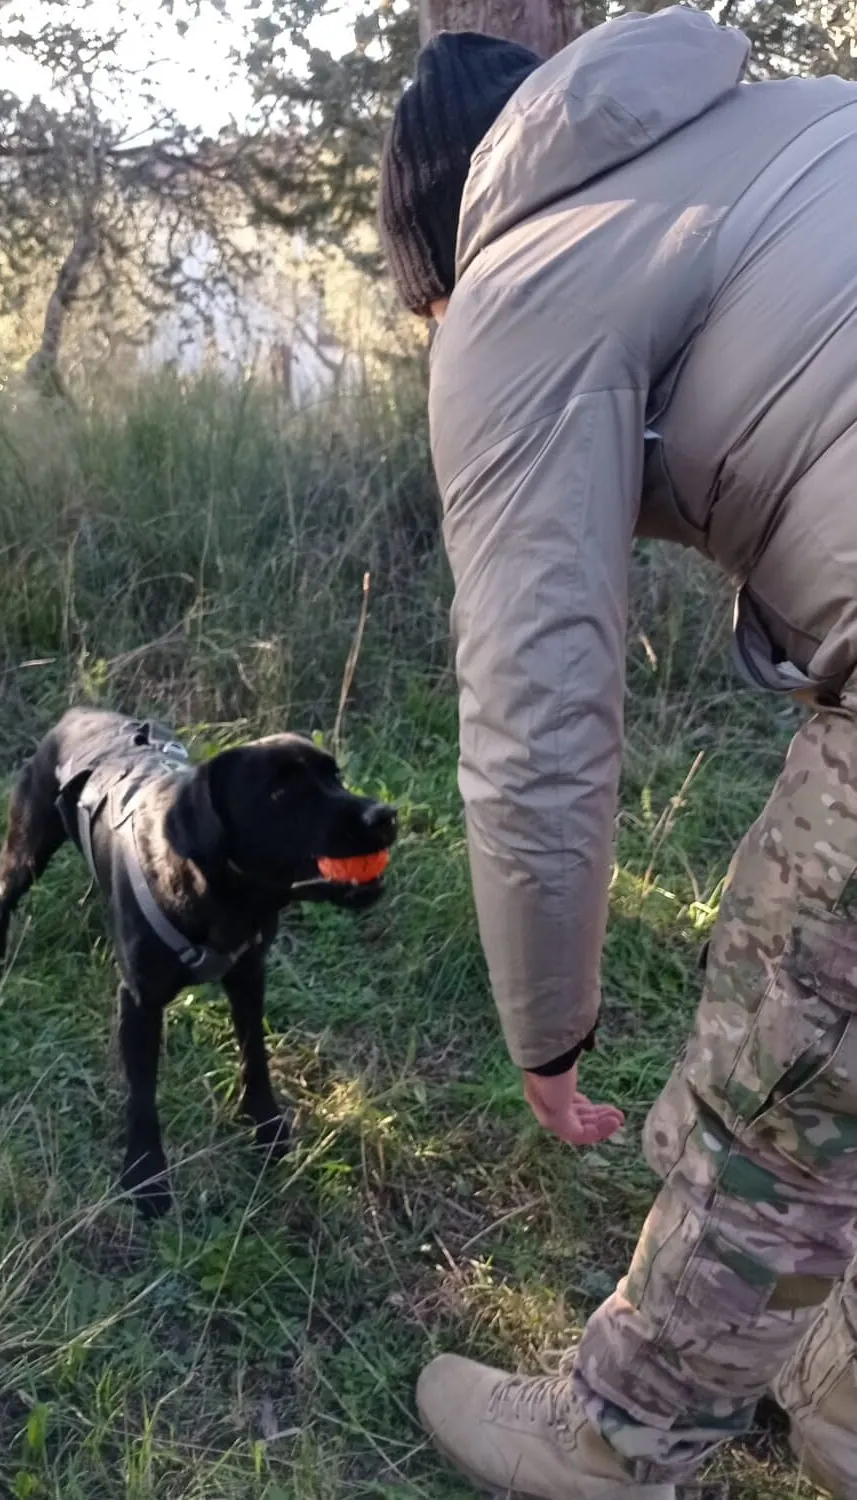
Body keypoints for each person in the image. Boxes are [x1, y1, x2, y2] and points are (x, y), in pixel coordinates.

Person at [376, 6, 857, 1497]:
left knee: (797, 1037)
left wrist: (547, 1026)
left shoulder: (511, 288)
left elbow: (539, 718)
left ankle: (617, 1434)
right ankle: (838, 1393)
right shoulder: (784, 121)